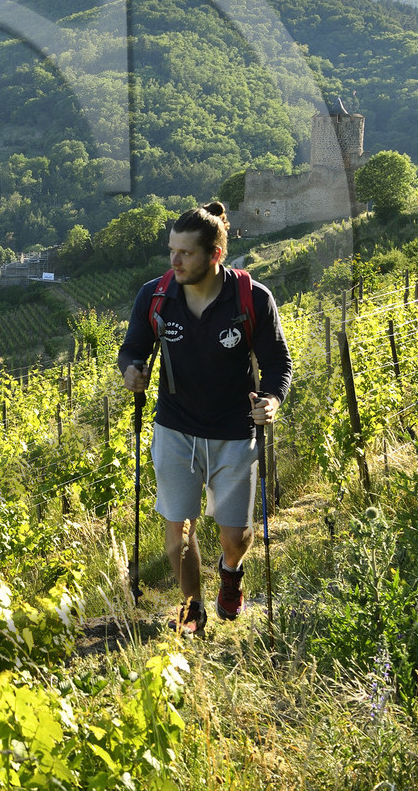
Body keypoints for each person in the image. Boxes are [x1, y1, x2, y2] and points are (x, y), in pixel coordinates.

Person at [117, 202, 293, 631]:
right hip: (175, 428)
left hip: (235, 431)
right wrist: (131, 371)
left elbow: (278, 364)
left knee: (236, 537)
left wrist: (271, 400)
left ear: (215, 255)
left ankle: (230, 573)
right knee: (178, 530)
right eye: (171, 251)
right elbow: (132, 349)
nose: (174, 262)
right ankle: (192, 607)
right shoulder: (155, 296)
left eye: (186, 253)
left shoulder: (252, 298)